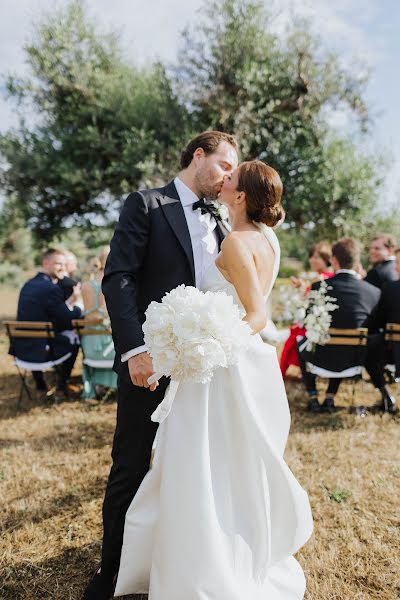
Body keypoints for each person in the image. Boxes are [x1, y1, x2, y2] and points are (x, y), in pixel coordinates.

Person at [114, 161, 313, 599]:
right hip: (237, 362)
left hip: (221, 365)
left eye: (231, 176)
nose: (224, 180)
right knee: (230, 465)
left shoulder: (238, 243)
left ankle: (202, 564)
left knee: (199, 464)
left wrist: (208, 340)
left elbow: (257, 315)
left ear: (239, 195)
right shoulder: (267, 237)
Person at [83, 131, 240, 599]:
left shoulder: (224, 220)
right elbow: (119, 278)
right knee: (131, 463)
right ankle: (112, 571)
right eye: (224, 165)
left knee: (198, 466)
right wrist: (135, 351)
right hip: (150, 361)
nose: (229, 177)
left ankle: (182, 563)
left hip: (205, 368)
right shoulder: (147, 204)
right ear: (198, 155)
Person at [297, 238, 381, 413]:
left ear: (334, 260)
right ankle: (330, 397)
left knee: (301, 341)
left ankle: (313, 397)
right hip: (354, 359)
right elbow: (373, 327)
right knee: (343, 346)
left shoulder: (318, 287)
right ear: (357, 261)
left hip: (321, 358)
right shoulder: (373, 292)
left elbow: (307, 322)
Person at [9, 248, 82, 396]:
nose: (62, 267)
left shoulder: (28, 285)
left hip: (22, 350)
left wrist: (69, 302)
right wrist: (78, 304)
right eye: (57, 264)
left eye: (63, 264)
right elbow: (67, 320)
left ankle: (40, 383)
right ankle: (62, 385)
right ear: (45, 263)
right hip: (43, 352)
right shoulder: (51, 288)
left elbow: (49, 310)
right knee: (75, 340)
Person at [280, 241, 333, 378]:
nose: (312, 260)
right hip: (316, 321)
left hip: (318, 324)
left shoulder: (321, 278)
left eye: (316, 257)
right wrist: (302, 286)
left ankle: (283, 372)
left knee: (294, 335)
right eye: (311, 256)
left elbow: (312, 302)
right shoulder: (325, 277)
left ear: (327, 260)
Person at [365, 246, 400, 412]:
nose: (395, 267)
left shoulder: (390, 289)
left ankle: (387, 396)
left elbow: (378, 321)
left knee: (367, 351)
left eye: (398, 263)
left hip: (393, 352)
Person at [80, 247, 117, 399]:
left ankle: (97, 385)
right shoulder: (115, 282)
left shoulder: (86, 285)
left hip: (89, 348)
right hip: (110, 351)